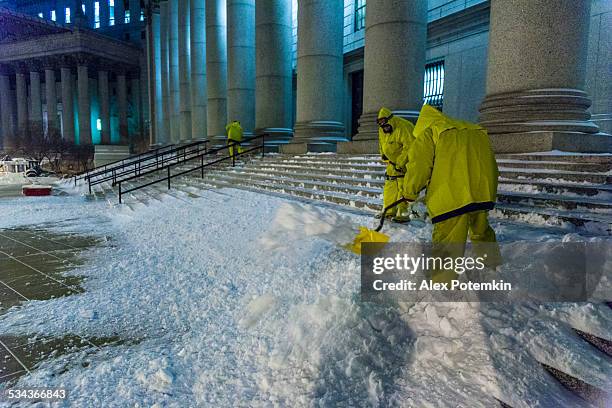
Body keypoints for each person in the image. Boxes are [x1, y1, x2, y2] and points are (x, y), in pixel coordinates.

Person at [402, 104, 501, 283]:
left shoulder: (430, 132)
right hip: (482, 190)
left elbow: (419, 166)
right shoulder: (474, 128)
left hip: (452, 195)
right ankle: (492, 267)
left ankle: (442, 284)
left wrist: (409, 191)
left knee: (448, 240)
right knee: (481, 230)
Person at [376, 107, 415, 223]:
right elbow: (381, 141)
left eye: (387, 126)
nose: (385, 129)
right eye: (382, 127)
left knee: (403, 187)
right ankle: (388, 211)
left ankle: (403, 213)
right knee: (390, 186)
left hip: (405, 163)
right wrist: (383, 154)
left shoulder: (404, 127)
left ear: (391, 121)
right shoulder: (382, 129)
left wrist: (401, 162)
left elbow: (410, 146)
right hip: (392, 163)